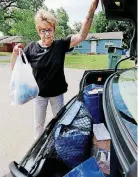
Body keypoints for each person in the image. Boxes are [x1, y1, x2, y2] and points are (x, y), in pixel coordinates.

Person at [10, 0, 99, 140]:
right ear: (38, 31)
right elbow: (14, 68)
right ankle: (38, 149)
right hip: (39, 95)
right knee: (38, 125)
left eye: (49, 29)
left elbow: (81, 36)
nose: (47, 34)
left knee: (60, 122)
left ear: (54, 29)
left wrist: (91, 12)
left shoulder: (60, 45)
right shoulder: (31, 48)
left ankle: (60, 143)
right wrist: (15, 53)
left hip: (57, 95)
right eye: (43, 30)